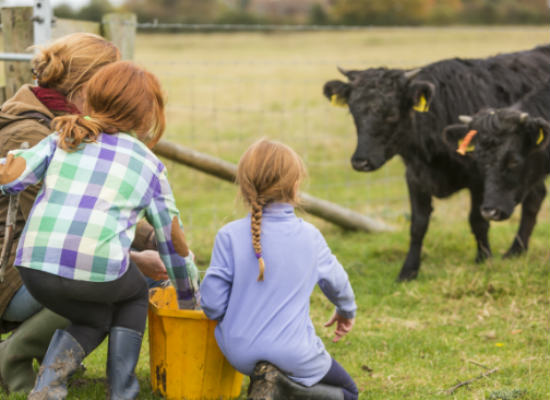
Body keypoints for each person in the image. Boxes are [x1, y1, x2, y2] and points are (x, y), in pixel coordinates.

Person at [0, 60, 199, 399]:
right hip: (95, 272)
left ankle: (48, 386)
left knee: (96, 318)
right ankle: (122, 391)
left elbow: (12, 178)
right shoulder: (149, 165)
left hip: (32, 268)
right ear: (147, 115)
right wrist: (189, 297)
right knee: (134, 295)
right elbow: (172, 242)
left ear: (90, 99)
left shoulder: (63, 137)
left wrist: (15, 156)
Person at [200, 139, 359, 400]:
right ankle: (286, 388)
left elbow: (212, 305)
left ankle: (272, 384)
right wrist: (346, 310)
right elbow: (338, 284)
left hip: (238, 353)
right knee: (349, 393)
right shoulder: (310, 236)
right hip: (295, 354)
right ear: (296, 186)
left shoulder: (228, 235)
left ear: (244, 186)